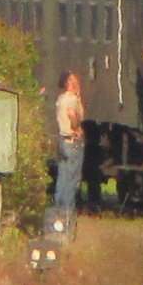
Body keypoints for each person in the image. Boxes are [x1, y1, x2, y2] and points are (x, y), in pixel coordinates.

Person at [53, 71, 85, 209]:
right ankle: (68, 210)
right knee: (72, 178)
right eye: (75, 80)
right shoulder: (71, 99)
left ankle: (58, 208)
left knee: (62, 176)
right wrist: (77, 127)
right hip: (72, 141)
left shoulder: (61, 99)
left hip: (62, 139)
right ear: (70, 83)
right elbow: (72, 114)